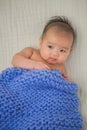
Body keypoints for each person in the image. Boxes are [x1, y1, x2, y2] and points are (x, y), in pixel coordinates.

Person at [12, 16, 76, 81]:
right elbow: (15, 60)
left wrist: (65, 80)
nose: (55, 54)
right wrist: (34, 65)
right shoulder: (32, 52)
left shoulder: (61, 67)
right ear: (41, 42)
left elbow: (59, 84)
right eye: (50, 47)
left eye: (62, 50)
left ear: (69, 51)